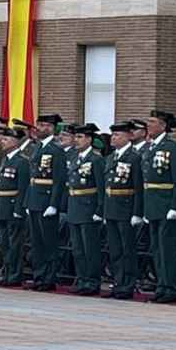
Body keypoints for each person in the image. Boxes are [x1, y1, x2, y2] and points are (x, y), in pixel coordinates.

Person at [139, 110, 176, 302]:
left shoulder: (172, 148)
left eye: (152, 122)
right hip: (153, 205)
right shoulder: (150, 148)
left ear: (163, 126)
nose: (148, 125)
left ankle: (171, 287)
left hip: (167, 205)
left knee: (167, 249)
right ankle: (161, 285)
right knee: (157, 249)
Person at [24, 114, 68, 292]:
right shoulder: (38, 147)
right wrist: (28, 201)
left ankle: (49, 278)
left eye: (44, 125)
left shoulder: (56, 150)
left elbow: (59, 180)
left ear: (51, 128)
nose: (40, 128)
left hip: (47, 200)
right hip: (35, 199)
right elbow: (32, 177)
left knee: (48, 242)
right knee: (36, 243)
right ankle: (39, 276)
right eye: (39, 125)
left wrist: (54, 204)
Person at [100, 120, 141, 299]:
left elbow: (138, 187)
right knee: (115, 249)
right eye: (113, 135)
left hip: (126, 208)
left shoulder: (134, 157)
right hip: (111, 208)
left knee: (127, 249)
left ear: (128, 137)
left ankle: (128, 284)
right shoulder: (111, 158)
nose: (113, 138)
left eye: (117, 135)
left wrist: (137, 212)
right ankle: (118, 282)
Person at [64, 124, 104, 296]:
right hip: (74, 206)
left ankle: (92, 281)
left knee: (90, 249)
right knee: (78, 249)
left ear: (89, 140)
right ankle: (81, 279)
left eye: (80, 137)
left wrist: (100, 210)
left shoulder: (96, 160)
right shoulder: (75, 158)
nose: (76, 140)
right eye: (75, 137)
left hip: (88, 207)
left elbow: (101, 187)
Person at [0, 124, 31, 287]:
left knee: (15, 243)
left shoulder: (22, 162)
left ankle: (15, 275)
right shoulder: (5, 159)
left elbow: (23, 187)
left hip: (13, 206)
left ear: (15, 141)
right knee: (5, 243)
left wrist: (18, 209)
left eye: (6, 139)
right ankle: (7, 272)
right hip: (2, 205)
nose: (2, 141)